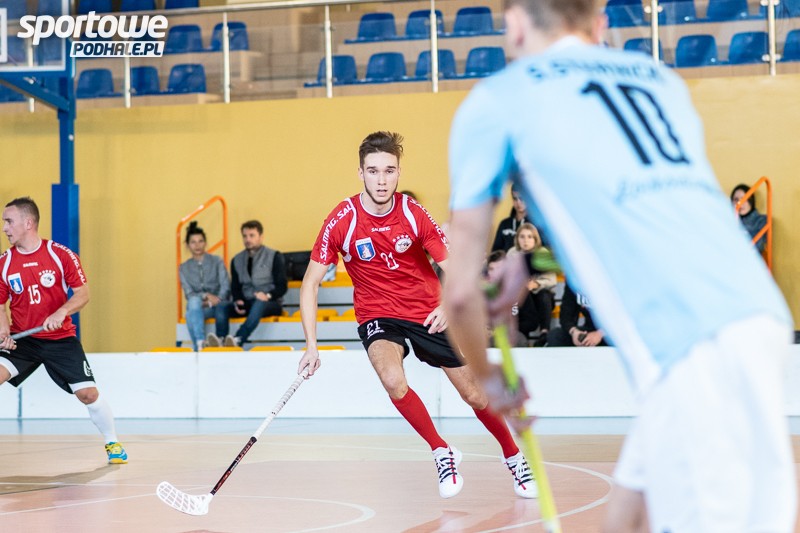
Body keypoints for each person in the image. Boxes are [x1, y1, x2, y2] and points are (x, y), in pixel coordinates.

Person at [443, 2, 795, 532]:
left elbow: (460, 292)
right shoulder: (659, 80)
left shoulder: (499, 99)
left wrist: (490, 379)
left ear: (514, 23)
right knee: (630, 513)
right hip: (755, 312)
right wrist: (533, 259)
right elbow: (650, 221)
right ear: (600, 23)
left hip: (689, 347)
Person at [297, 131, 536, 500]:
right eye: (373, 171)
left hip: (426, 310)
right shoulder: (342, 219)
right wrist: (311, 345)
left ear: (399, 173)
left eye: (389, 171)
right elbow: (310, 283)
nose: (381, 180)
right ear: (360, 173)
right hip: (377, 313)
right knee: (393, 380)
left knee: (474, 394)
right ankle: (441, 450)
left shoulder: (412, 213)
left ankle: (513, 456)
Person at [0, 197, 128, 464]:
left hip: (60, 340)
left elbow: (83, 294)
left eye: (9, 221)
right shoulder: (4, 262)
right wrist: (4, 333)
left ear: (28, 223)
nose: (5, 228)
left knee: (88, 395)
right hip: (23, 341)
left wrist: (61, 312)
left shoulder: (60, 255)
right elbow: (0, 304)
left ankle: (113, 443)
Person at [228, 220, 287, 347]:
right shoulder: (236, 260)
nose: (248, 239)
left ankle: (238, 338)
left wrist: (268, 296)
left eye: (252, 235)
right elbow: (235, 286)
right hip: (248, 302)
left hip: (270, 303)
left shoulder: (274, 256)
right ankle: (220, 341)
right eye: (245, 236)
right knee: (221, 307)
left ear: (261, 237)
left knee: (259, 303)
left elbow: (282, 286)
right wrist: (237, 300)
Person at [179, 221, 231, 350]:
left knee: (190, 314)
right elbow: (189, 294)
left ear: (205, 243)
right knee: (193, 303)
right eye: (193, 242)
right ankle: (201, 342)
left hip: (217, 306)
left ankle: (199, 346)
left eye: (200, 241)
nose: (197, 245)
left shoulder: (217, 261)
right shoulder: (183, 268)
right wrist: (206, 296)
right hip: (199, 307)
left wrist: (215, 300)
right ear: (188, 245)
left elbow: (225, 285)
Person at [508, 222, 556, 345]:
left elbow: (552, 280)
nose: (526, 240)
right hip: (521, 297)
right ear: (517, 239)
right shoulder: (512, 253)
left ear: (535, 239)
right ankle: (521, 335)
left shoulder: (542, 253)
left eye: (530, 237)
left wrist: (536, 284)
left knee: (544, 294)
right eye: (522, 237)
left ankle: (544, 332)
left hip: (539, 296)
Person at [546, 282, 609, 347]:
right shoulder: (573, 282)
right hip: (589, 329)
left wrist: (599, 334)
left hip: (611, 332)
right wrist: (574, 332)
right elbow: (566, 316)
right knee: (555, 336)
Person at [491, 184, 531, 252]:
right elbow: (495, 252)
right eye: (515, 198)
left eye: (521, 198)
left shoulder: (536, 224)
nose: (518, 202)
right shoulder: (504, 224)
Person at [731, 183, 768, 253]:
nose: (739, 203)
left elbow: (757, 247)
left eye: (744, 199)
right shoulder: (728, 221)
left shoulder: (761, 221)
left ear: (751, 201)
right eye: (736, 199)